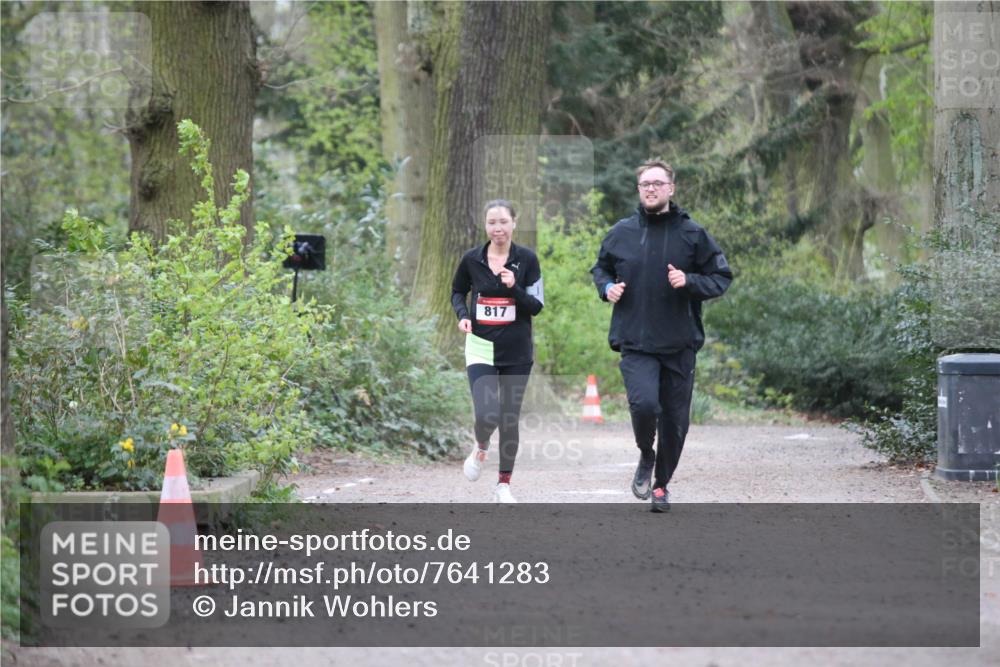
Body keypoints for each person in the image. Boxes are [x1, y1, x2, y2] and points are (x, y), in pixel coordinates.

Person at [591, 160, 732, 512]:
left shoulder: (693, 234)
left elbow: (721, 277)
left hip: (679, 344)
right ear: (639, 190)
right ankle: (645, 453)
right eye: (644, 184)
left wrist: (690, 282)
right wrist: (606, 286)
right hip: (635, 340)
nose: (650, 189)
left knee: (674, 421)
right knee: (644, 405)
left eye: (657, 183)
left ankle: (661, 485)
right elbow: (601, 268)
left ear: (671, 188)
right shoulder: (621, 232)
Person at [451, 199, 544, 503]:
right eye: (492, 222)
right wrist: (463, 316)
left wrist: (514, 287)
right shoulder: (471, 259)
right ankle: (480, 446)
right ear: (486, 225)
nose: (498, 228)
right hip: (480, 347)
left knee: (509, 418)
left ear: (514, 223)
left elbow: (536, 306)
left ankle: (503, 485)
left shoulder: (527, 260)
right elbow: (456, 291)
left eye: (503, 221)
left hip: (516, 351)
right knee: (487, 414)